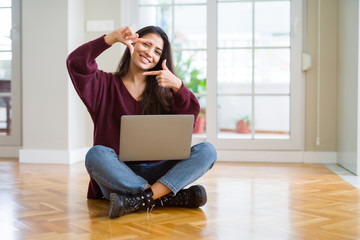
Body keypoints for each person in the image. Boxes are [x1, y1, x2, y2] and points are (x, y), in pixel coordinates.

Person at [66, 26, 217, 218]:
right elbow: (76, 62)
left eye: (157, 51)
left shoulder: (166, 93)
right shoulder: (103, 85)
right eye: (146, 44)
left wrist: (179, 86)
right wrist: (111, 38)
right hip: (117, 177)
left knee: (207, 151)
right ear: (133, 43)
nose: (149, 53)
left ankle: (141, 199)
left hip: (159, 172)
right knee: (96, 154)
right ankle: (163, 197)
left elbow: (189, 118)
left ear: (161, 60)